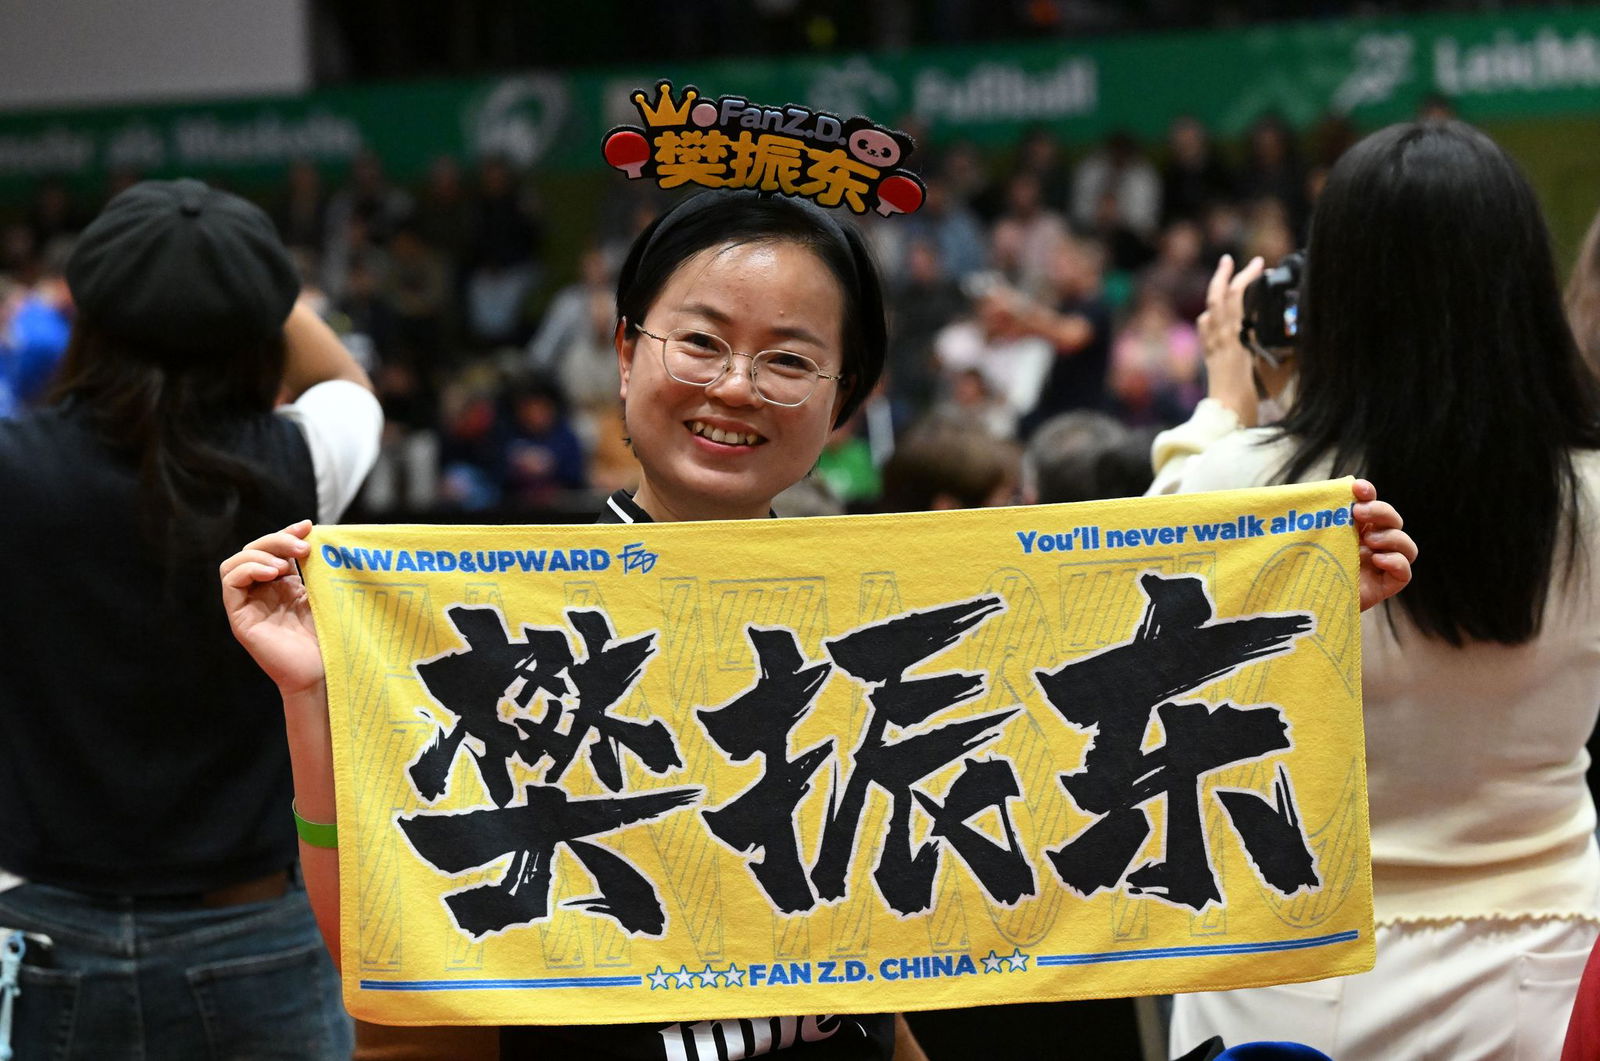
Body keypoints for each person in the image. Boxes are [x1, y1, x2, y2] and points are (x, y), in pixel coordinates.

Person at [222, 190, 927, 1061]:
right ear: (628, 353)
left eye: (789, 360)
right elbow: (390, 954)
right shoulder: (506, 629)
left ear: (842, 395)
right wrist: (316, 695)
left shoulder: (874, 628)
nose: (736, 387)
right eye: (701, 342)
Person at [1158, 120, 1597, 1061]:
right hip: (1547, 966)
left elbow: (1135, 601)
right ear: (1523, 282)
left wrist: (1221, 407)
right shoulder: (1590, 487)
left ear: (1337, 291)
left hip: (1283, 965)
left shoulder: (1232, 485)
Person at [0, 179, 381, 1058]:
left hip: (41, 932)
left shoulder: (13, 467)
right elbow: (345, 382)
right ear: (260, 324)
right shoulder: (303, 461)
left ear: (85, 316)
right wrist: (241, 276)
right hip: (255, 935)